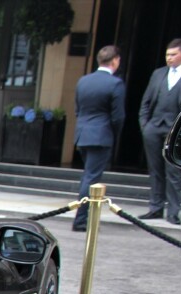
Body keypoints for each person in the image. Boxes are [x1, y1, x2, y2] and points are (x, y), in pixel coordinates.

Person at [73, 45, 126, 231]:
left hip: (83, 133)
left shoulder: (83, 81)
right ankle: (81, 220)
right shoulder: (115, 84)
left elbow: (77, 110)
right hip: (101, 134)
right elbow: (118, 116)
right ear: (114, 61)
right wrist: (114, 133)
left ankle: (82, 217)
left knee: (87, 176)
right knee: (91, 178)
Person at [138, 38, 181, 225]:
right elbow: (146, 102)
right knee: (155, 170)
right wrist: (145, 127)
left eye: (173, 54)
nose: (169, 58)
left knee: (173, 172)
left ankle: (173, 212)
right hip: (154, 128)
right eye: (167, 54)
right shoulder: (158, 74)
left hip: (176, 132)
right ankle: (155, 207)